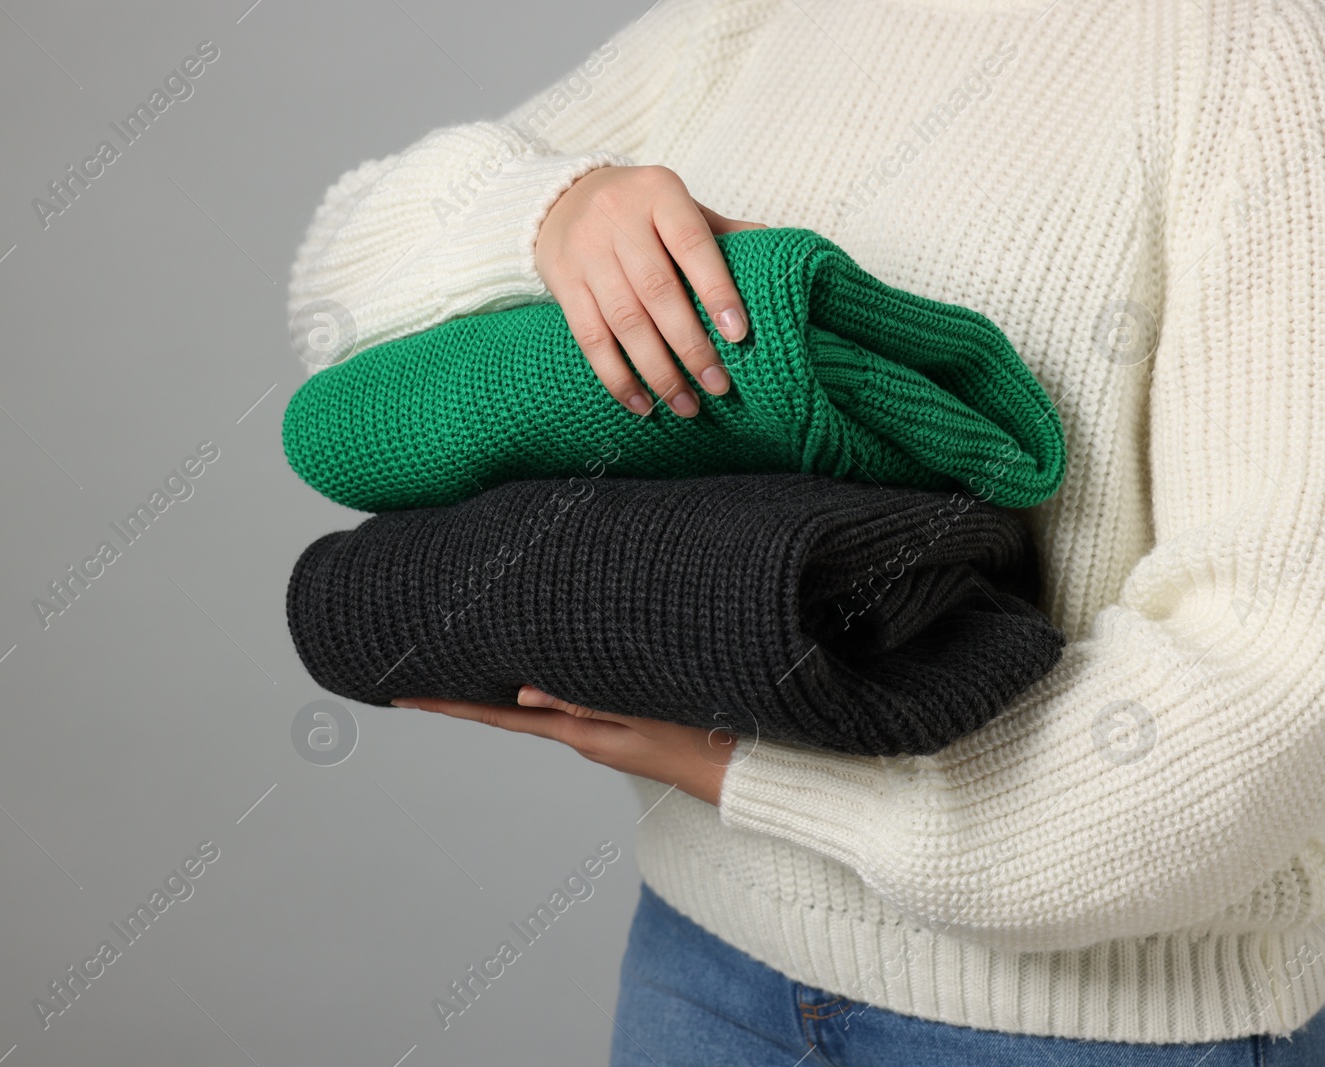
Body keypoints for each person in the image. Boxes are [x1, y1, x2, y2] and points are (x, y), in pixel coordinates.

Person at [287, 1, 1325, 1062]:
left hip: (1085, 1023)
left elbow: (1270, 682)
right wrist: (551, 212)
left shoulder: (1254, 58)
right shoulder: (754, 17)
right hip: (701, 967)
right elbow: (341, 284)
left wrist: (760, 770)